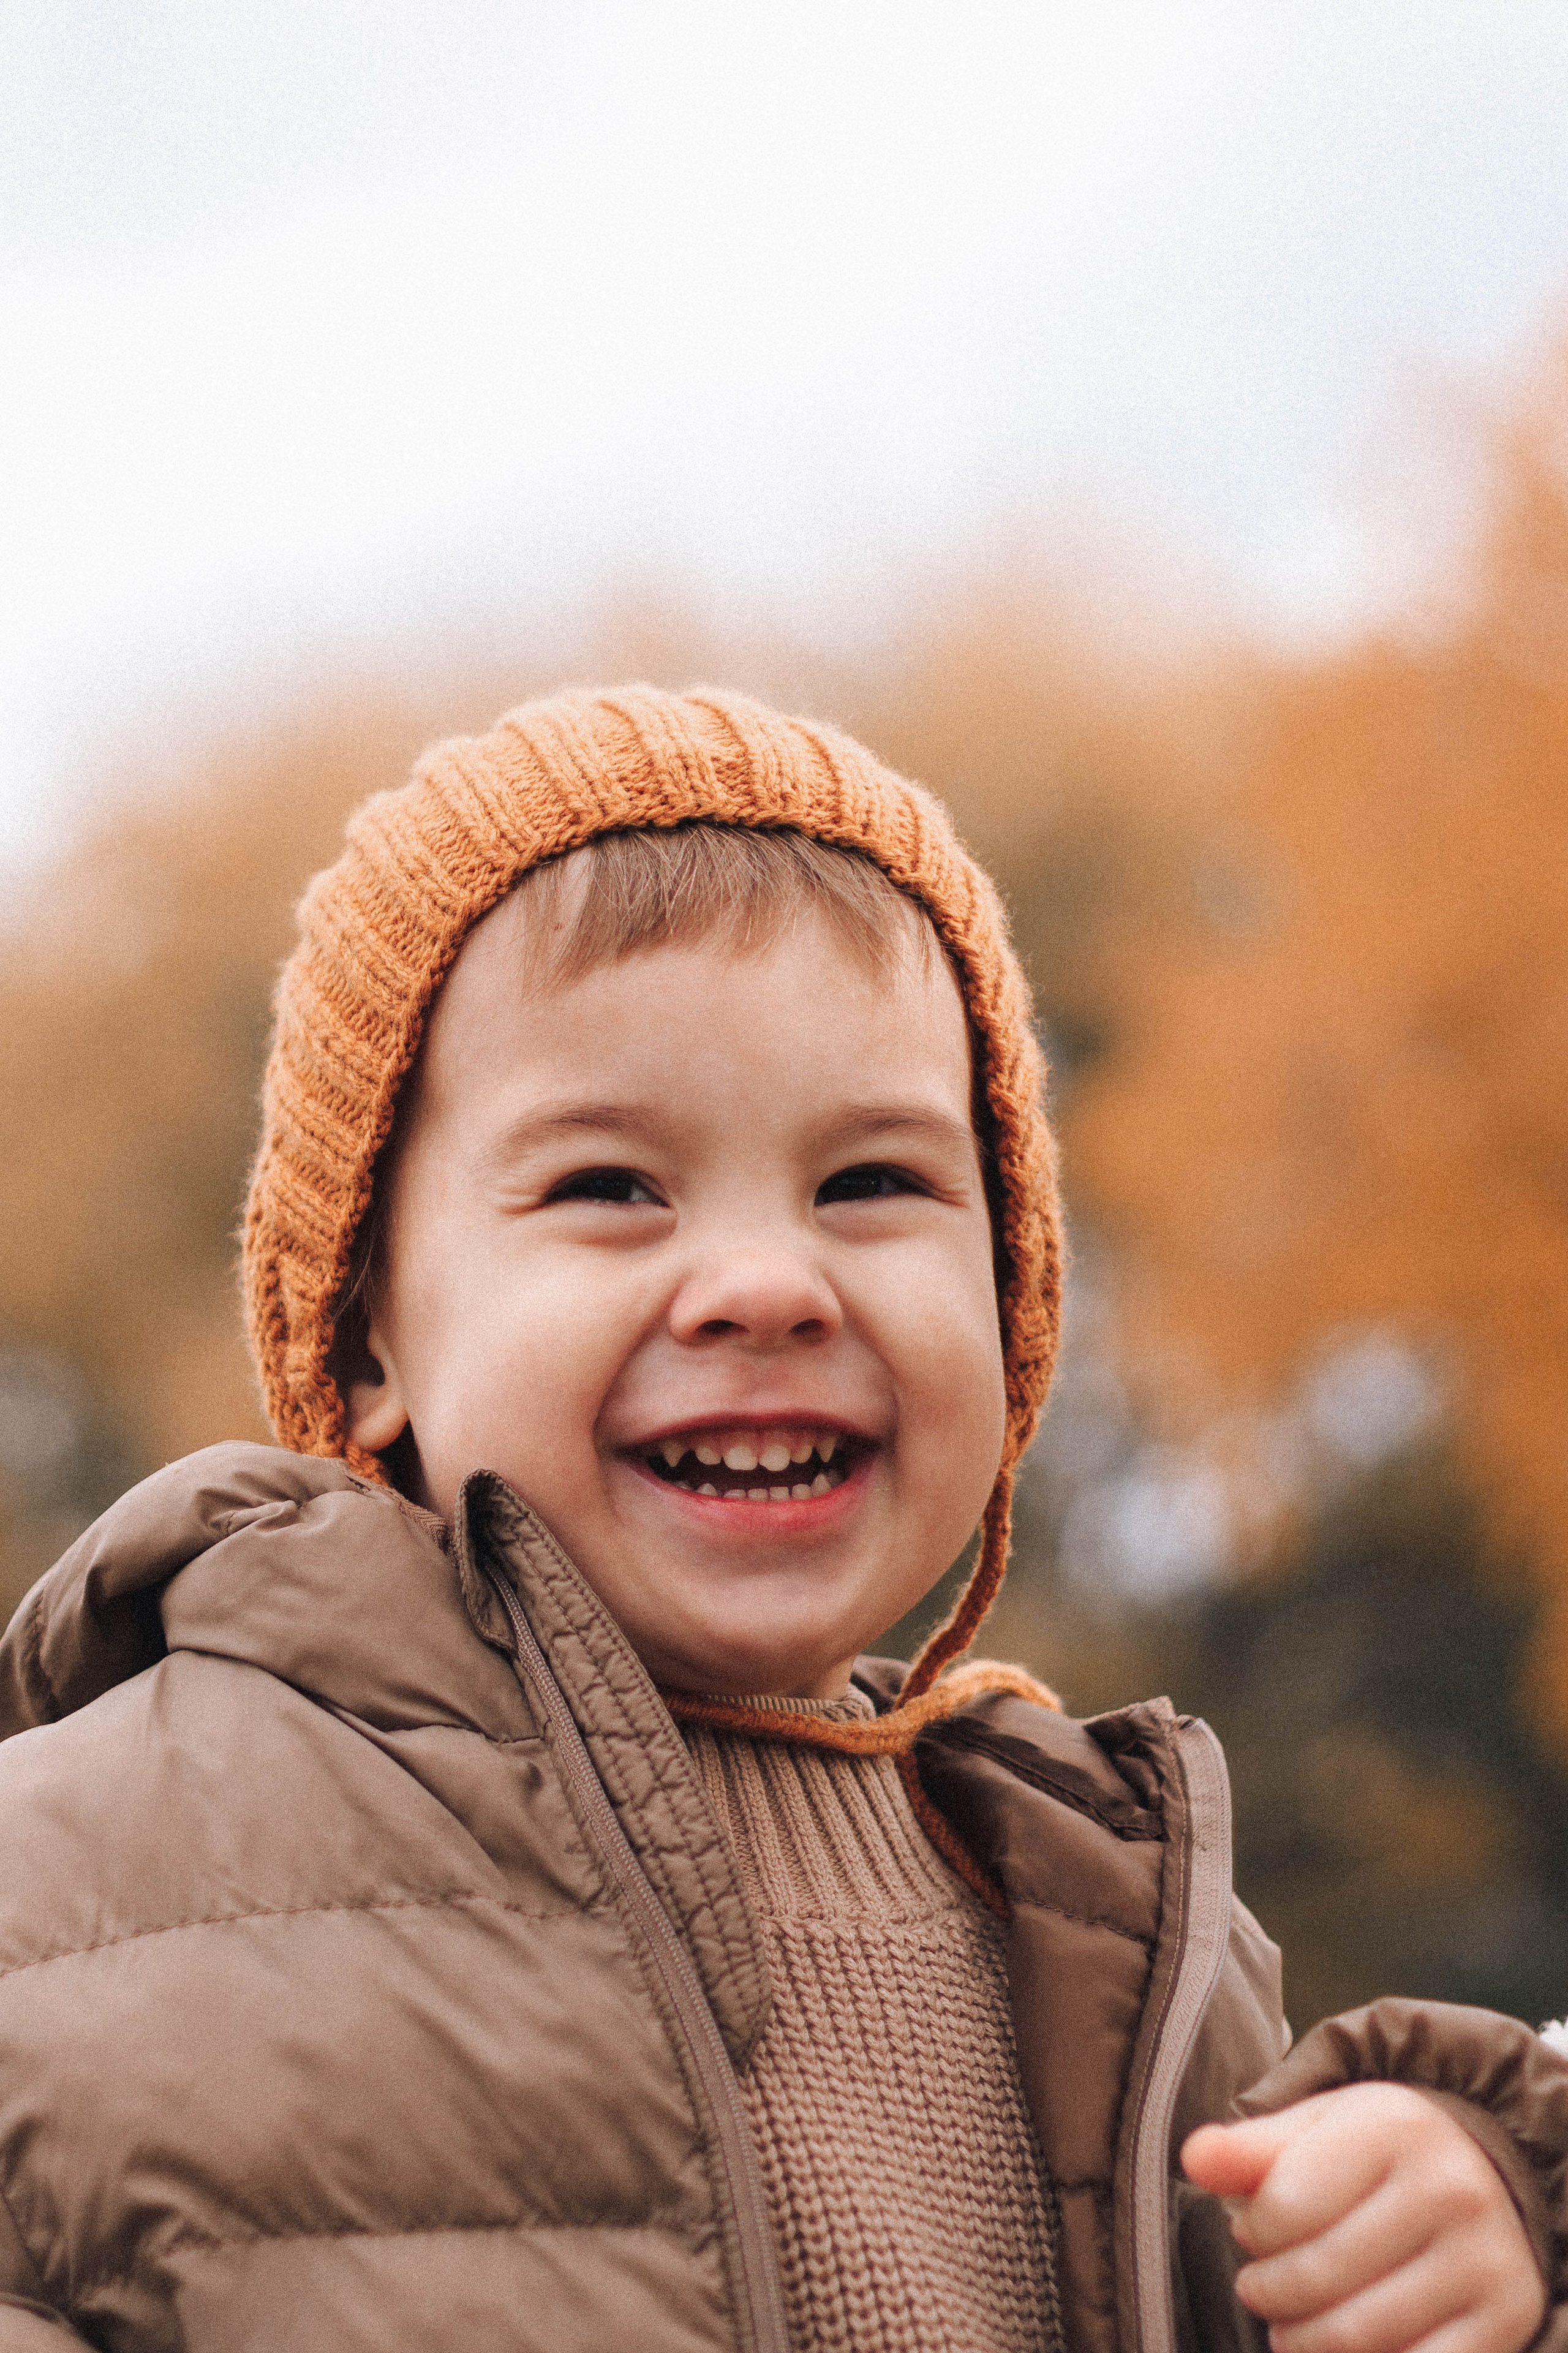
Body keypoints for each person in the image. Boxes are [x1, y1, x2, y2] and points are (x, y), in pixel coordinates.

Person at [1, 687, 1563, 2353]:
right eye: (610, 1186)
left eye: (872, 1182)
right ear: (371, 1329)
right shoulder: (88, 1886)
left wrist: (1476, 2252)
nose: (764, 1281)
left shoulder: (1123, 1920)